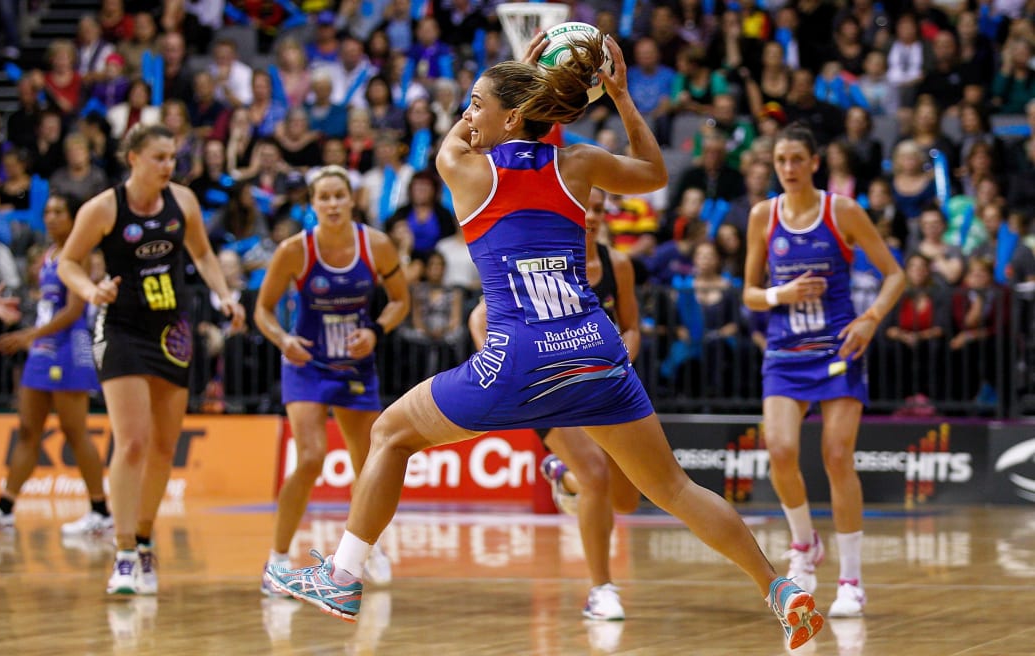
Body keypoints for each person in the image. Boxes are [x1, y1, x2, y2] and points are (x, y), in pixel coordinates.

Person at [265, 33, 823, 649]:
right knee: (674, 489)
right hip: (595, 348)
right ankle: (779, 589)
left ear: (510, 115)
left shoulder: (467, 169)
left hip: (519, 357)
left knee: (390, 435)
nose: (466, 115)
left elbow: (457, 135)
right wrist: (620, 95)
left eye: (476, 103)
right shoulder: (577, 165)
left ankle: (343, 576)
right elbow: (655, 173)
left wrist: (526, 71)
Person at [57, 124, 245, 595]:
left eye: (172, 157)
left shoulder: (183, 202)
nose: (169, 166)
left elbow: (202, 254)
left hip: (172, 331)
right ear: (133, 158)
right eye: (159, 157)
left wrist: (225, 297)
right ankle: (122, 553)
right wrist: (89, 289)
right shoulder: (103, 208)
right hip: (120, 328)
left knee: (164, 446)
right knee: (134, 442)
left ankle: (143, 541)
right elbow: (68, 262)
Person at [742, 124, 904, 618]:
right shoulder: (763, 216)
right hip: (786, 352)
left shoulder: (842, 211)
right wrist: (779, 295)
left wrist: (871, 318)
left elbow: (894, 274)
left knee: (837, 456)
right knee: (781, 449)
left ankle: (852, 580)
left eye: (796, 159)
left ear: (815, 163)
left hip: (838, 349)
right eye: (780, 160)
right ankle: (804, 543)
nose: (788, 168)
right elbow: (748, 293)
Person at [467, 187, 643, 621]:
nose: (594, 216)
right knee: (597, 474)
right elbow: (478, 318)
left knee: (627, 499)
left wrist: (615, 355)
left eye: (600, 209)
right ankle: (601, 589)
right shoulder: (541, 253)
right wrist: (502, 367)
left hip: (601, 381)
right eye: (586, 208)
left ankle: (563, 478)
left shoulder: (617, 265)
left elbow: (634, 327)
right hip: (545, 386)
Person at [253, 164, 409, 594]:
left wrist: (376, 330)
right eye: (324, 197)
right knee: (310, 457)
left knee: (370, 466)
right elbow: (262, 311)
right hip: (306, 363)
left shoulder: (375, 245)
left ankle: (367, 550)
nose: (333, 203)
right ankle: (278, 560)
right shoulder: (294, 250)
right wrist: (283, 339)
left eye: (340, 195)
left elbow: (400, 301)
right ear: (312, 204)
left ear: (352, 199)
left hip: (356, 365)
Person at [0, 194, 112, 536]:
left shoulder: (80, 253)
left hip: (69, 347)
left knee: (75, 431)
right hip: (42, 347)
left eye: (60, 211)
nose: (52, 217)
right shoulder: (47, 256)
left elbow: (73, 311)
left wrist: (29, 334)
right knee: (28, 429)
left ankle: (101, 510)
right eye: (48, 212)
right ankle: (6, 508)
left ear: (74, 218)